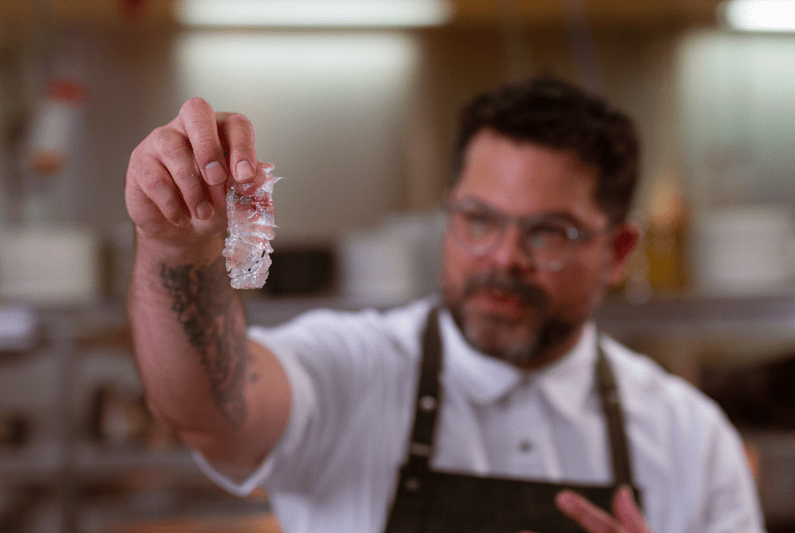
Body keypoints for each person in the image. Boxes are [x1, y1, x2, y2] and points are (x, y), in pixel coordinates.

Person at [125, 77, 765, 533]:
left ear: (619, 250)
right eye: (480, 219)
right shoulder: (355, 368)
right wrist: (175, 250)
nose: (504, 257)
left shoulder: (693, 440)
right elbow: (208, 411)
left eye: (549, 233)